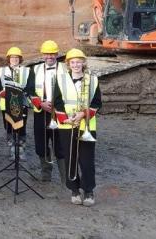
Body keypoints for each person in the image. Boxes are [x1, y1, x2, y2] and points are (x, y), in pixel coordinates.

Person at [53, 48, 101, 206]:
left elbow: (96, 103)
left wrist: (84, 114)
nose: (76, 65)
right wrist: (64, 118)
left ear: (83, 63)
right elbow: (57, 101)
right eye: (72, 62)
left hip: (86, 124)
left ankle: (88, 191)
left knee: (87, 160)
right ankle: (74, 189)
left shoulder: (92, 80)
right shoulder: (60, 79)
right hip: (67, 125)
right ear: (68, 64)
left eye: (78, 62)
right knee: (70, 158)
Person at [26, 40, 66, 182]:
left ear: (57, 54)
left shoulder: (65, 68)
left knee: (60, 145)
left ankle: (65, 177)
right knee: (41, 144)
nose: (50, 56)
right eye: (47, 53)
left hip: (59, 112)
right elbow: (29, 90)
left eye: (52, 53)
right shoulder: (34, 70)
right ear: (43, 54)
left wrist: (59, 107)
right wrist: (40, 104)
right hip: (41, 112)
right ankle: (46, 173)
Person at [0, 46, 29, 159]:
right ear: (8, 58)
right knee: (9, 127)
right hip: (6, 104)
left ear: (20, 59)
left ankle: (22, 149)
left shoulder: (26, 71)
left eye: (17, 57)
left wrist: (25, 93)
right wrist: (2, 92)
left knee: (21, 127)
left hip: (22, 104)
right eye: (12, 57)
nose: (14, 59)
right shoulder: (2, 70)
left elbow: (30, 86)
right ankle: (12, 149)